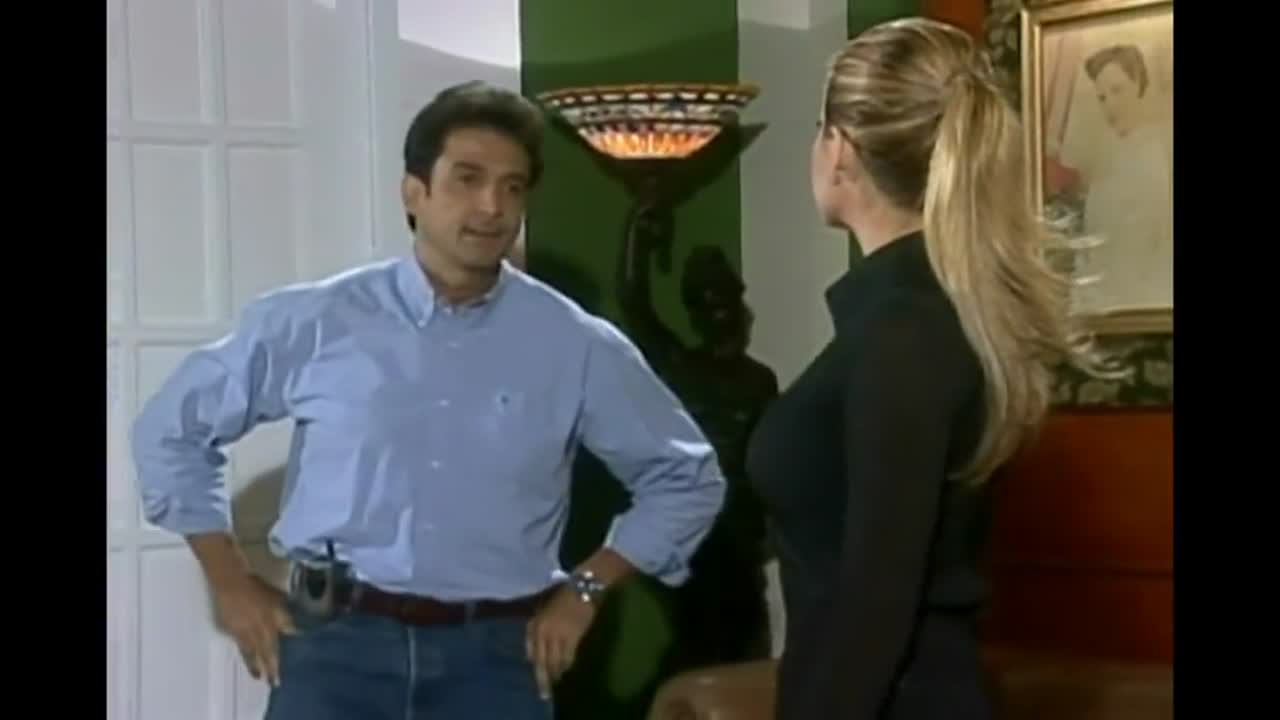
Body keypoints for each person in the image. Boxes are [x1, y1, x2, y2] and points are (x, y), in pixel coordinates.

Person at [130, 80, 726, 720]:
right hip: (335, 651)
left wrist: (587, 589)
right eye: (467, 179)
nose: (491, 206)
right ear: (414, 192)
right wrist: (229, 583)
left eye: (512, 187)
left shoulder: (574, 343)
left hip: (498, 661)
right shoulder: (319, 321)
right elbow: (170, 431)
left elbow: (685, 476)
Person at [744, 18, 1116, 720]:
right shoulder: (915, 321)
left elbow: (876, 603)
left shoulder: (904, 336)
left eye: (819, 131)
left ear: (839, 149)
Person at [617, 207, 778, 666]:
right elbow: (633, 299)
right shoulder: (680, 368)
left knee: (746, 656)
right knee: (698, 652)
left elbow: (775, 461)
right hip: (694, 539)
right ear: (696, 313)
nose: (724, 313)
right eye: (711, 302)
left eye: (728, 300)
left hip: (742, 543)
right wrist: (639, 226)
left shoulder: (758, 381)